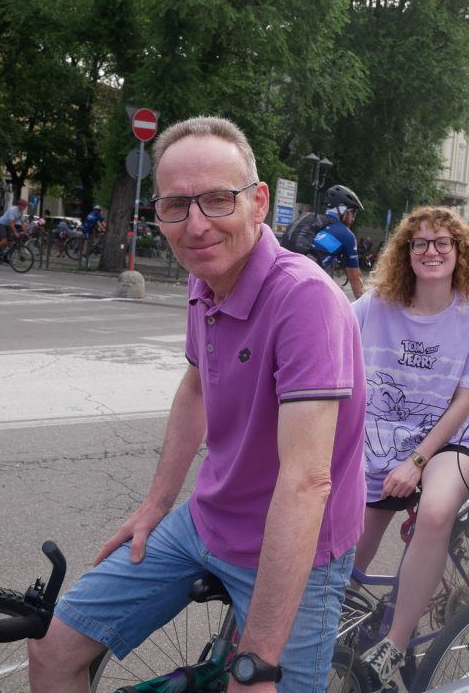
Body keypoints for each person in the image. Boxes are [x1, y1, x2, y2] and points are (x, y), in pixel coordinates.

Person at [27, 116, 366, 693]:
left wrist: (258, 661)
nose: (197, 225)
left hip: (297, 548)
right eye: (176, 206)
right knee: (51, 648)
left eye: (217, 199)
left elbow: (306, 484)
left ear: (259, 202)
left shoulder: (304, 298)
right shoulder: (205, 274)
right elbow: (195, 387)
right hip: (207, 520)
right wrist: (156, 503)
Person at [352, 206, 469, 691]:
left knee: (435, 514)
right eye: (421, 243)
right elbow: (326, 338)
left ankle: (394, 644)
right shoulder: (375, 305)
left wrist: (417, 462)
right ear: (406, 252)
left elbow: (463, 402)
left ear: (459, 253)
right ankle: (333, 628)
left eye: (442, 243)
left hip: (447, 443)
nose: (431, 251)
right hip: (379, 444)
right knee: (348, 555)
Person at [314, 184, 366, 299]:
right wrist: (367, 308)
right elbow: (355, 279)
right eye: (353, 213)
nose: (353, 219)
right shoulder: (346, 235)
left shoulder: (313, 222)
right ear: (343, 210)